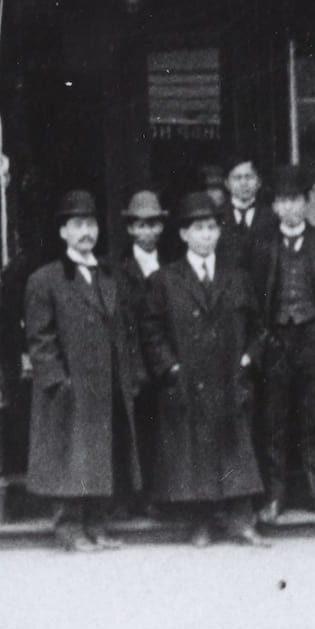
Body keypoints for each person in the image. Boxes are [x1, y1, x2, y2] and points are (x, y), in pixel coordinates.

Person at [140, 190, 269, 548]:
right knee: (193, 452)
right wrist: (172, 368)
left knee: (236, 449)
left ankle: (242, 521)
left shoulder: (237, 277)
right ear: (183, 235)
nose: (207, 235)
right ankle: (200, 522)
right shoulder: (165, 281)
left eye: (212, 227)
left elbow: (259, 327)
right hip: (189, 379)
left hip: (230, 376)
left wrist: (248, 358)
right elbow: (151, 331)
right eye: (198, 228)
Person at [23, 189, 143, 553]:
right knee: (69, 457)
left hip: (107, 383)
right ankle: (69, 528)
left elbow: (126, 328)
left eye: (90, 223)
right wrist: (58, 380)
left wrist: (130, 375)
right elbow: (39, 338)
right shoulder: (46, 279)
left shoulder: (111, 275)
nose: (86, 231)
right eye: (77, 225)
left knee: (101, 455)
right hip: (70, 385)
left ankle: (98, 524)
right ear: (63, 232)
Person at [250, 162, 315, 525]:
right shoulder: (262, 246)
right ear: (274, 206)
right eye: (281, 201)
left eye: (295, 200)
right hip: (277, 340)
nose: (288, 208)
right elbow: (251, 296)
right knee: (273, 421)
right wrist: (265, 335)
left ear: (307, 202)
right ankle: (275, 497)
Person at [115, 187, 168, 506]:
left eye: (153, 224)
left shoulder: (173, 267)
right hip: (137, 366)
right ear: (131, 229)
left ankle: (163, 495)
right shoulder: (119, 272)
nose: (147, 231)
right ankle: (136, 496)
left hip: (166, 363)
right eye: (141, 225)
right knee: (138, 431)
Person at [216, 157, 271, 271]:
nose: (244, 183)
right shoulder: (216, 216)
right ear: (227, 184)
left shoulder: (272, 217)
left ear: (259, 182)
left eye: (249, 177)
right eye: (237, 178)